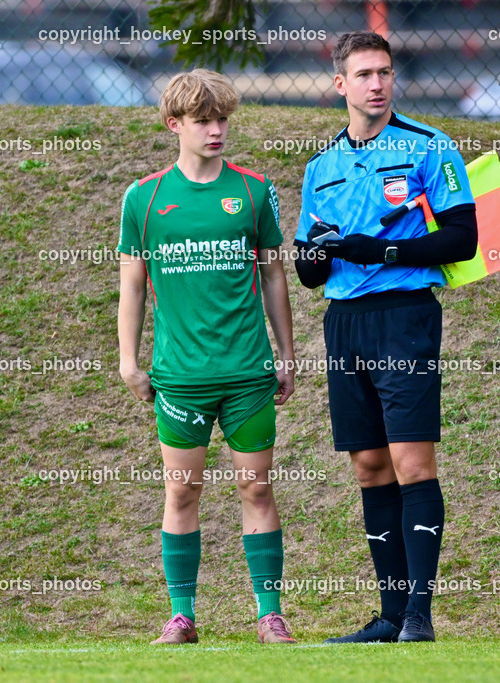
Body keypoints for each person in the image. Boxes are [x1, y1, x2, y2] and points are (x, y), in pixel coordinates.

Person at [293, 31, 478, 643]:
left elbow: (463, 239)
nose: (377, 84)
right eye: (364, 74)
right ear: (340, 84)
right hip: (344, 322)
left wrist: (382, 250)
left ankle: (420, 616)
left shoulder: (429, 145)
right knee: (370, 467)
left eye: (385, 72)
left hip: (404, 316)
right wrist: (314, 256)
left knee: (411, 461)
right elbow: (309, 270)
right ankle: (391, 614)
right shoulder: (320, 167)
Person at [118, 68, 297, 645]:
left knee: (257, 489)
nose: (216, 130)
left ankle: (270, 615)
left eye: (222, 119)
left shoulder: (253, 190)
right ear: (175, 125)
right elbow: (132, 285)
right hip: (181, 378)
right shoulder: (144, 198)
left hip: (247, 373)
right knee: (181, 492)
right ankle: (181, 616)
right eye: (203, 121)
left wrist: (286, 353)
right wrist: (128, 361)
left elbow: (273, 274)